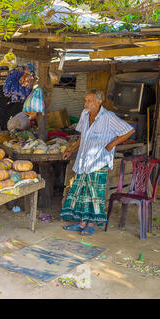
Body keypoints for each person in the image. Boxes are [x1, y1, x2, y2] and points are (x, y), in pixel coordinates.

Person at [61, 89, 135, 236]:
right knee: (82, 194)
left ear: (99, 102)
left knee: (94, 195)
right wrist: (72, 150)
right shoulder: (84, 114)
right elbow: (82, 135)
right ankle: (81, 223)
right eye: (85, 100)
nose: (86, 103)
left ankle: (91, 224)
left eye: (90, 101)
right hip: (83, 161)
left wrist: (113, 143)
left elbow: (129, 130)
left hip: (98, 162)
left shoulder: (108, 117)